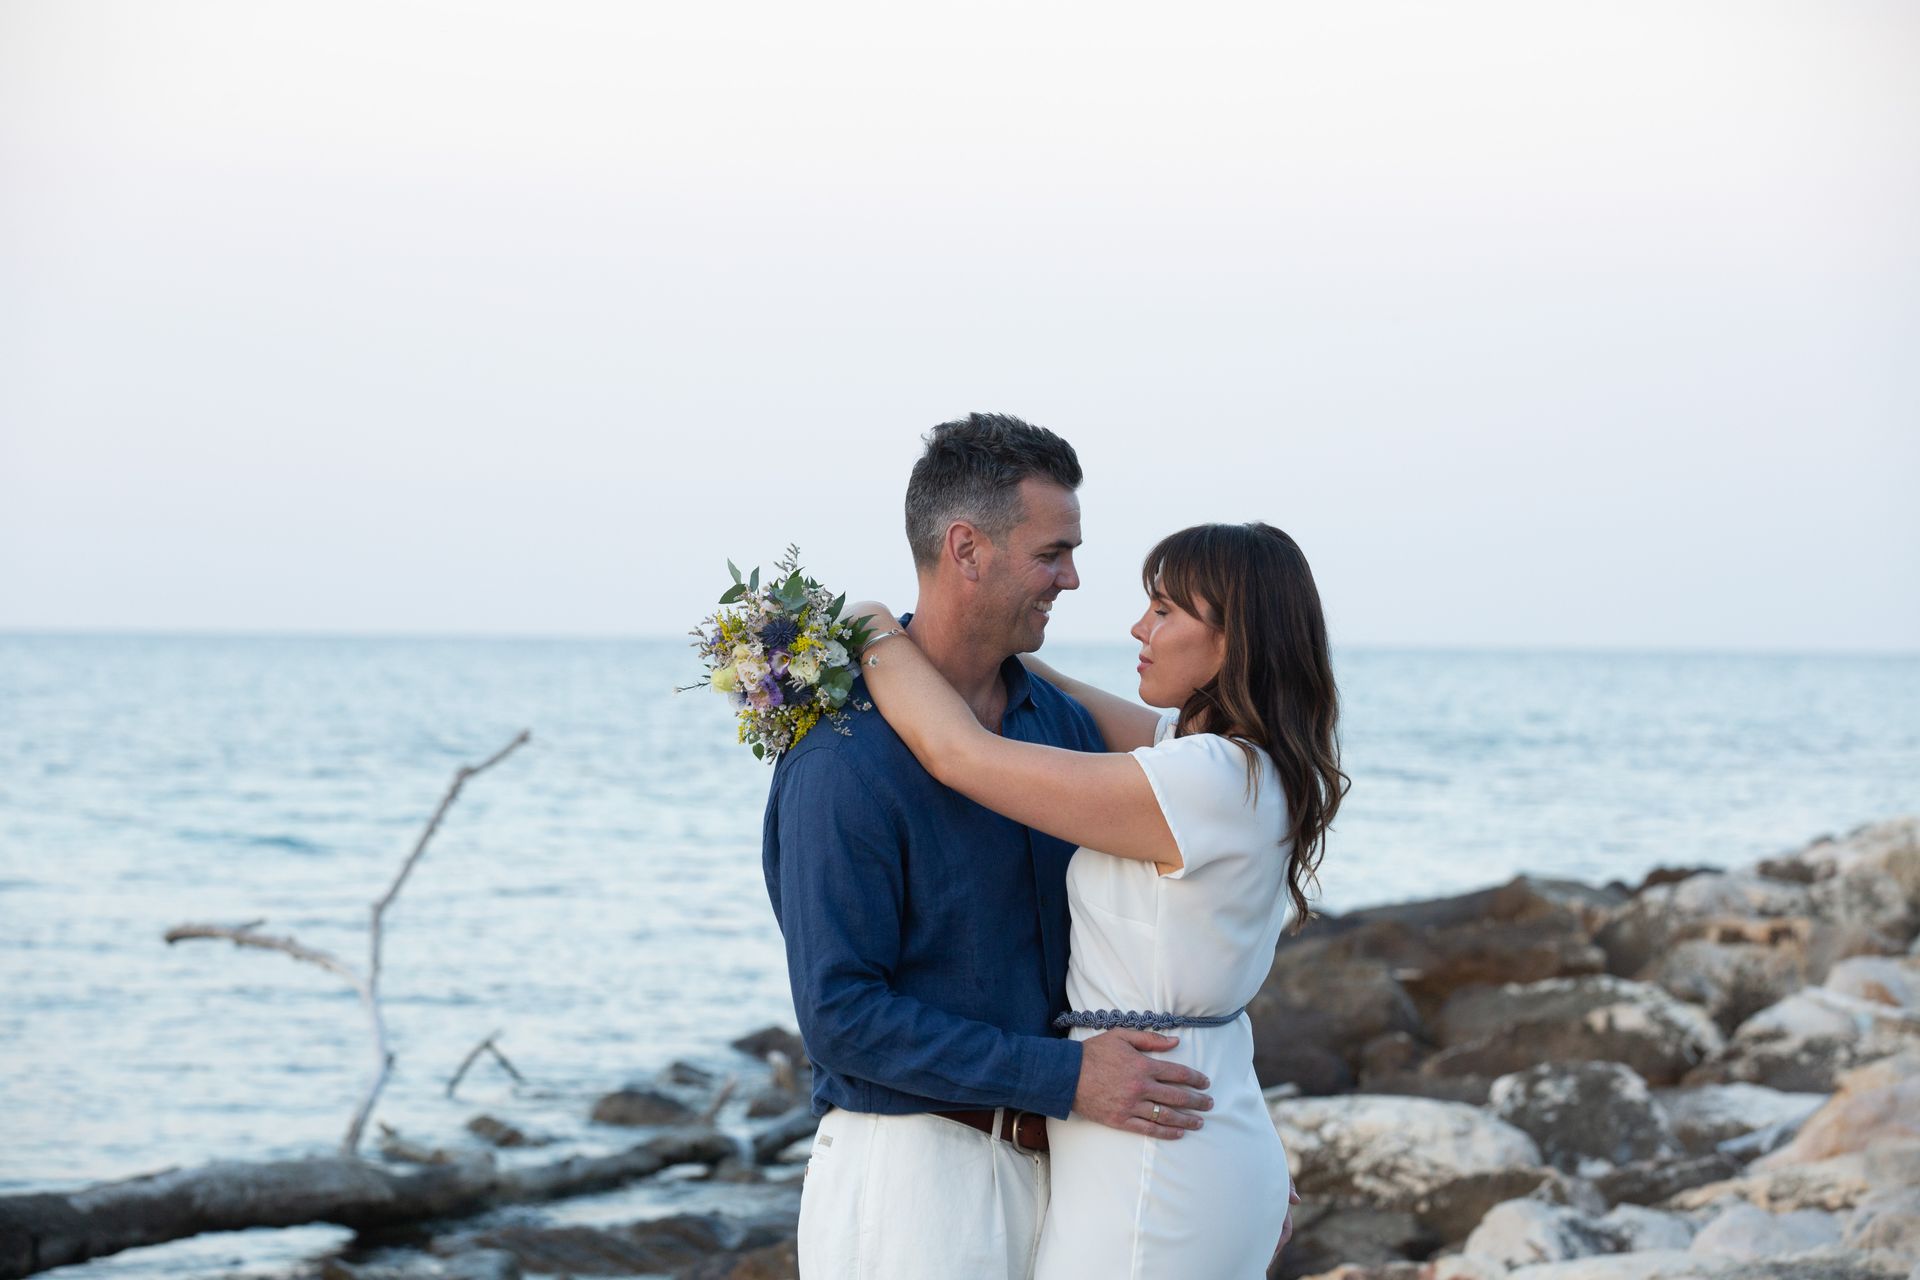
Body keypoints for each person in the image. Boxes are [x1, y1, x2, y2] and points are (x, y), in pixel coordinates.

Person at [762, 414, 1215, 1280]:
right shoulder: (841, 757)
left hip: (1073, 1174)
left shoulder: (1061, 727)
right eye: (1052, 553)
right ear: (966, 549)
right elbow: (840, 1016)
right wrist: (1066, 1078)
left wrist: (1228, 1152)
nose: (1072, 578)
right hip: (915, 1187)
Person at [848, 518, 1344, 1277]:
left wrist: (870, 626)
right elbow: (1068, 692)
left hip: (1157, 1154)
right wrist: (967, 637)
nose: (1139, 627)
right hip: (1194, 1119)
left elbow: (959, 755)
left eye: (1165, 610)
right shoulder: (1234, 763)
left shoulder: (1205, 780)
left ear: (1234, 640)